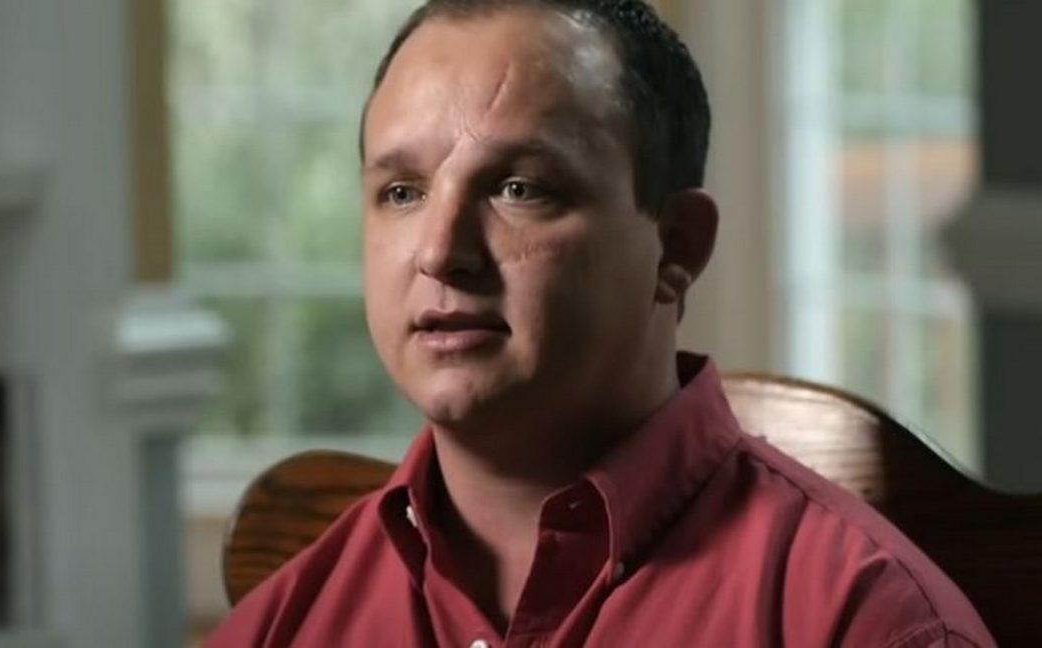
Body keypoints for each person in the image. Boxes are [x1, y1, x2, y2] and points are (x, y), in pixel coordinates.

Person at [209, 0, 994, 645]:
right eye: (403, 192)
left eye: (520, 189)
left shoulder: (870, 622)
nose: (441, 252)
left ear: (676, 249)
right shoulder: (282, 626)